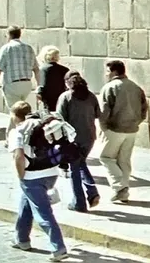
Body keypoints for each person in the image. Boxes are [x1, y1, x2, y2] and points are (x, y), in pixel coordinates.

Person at [7, 100, 72, 261]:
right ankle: (21, 239)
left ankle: (58, 248)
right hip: (51, 172)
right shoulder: (42, 124)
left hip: (32, 176)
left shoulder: (18, 131)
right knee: (26, 203)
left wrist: (21, 176)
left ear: (15, 116)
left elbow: (18, 156)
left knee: (43, 213)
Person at [97, 59, 148, 203]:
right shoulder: (136, 87)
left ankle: (120, 187)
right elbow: (144, 109)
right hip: (132, 129)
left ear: (113, 72)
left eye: (107, 71)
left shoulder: (110, 87)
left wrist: (103, 128)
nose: (105, 74)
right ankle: (123, 191)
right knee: (124, 160)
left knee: (106, 157)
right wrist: (137, 122)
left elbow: (104, 111)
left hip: (115, 128)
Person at [55, 72, 101, 212]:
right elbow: (98, 114)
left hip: (72, 139)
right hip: (89, 137)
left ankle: (80, 202)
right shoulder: (91, 96)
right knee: (80, 164)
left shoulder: (66, 97)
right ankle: (91, 193)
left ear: (68, 83)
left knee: (75, 170)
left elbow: (59, 119)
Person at [0, 27, 38, 113]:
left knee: (15, 112)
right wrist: (39, 86)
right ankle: (17, 126)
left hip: (12, 84)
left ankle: (22, 126)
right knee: (19, 111)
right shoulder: (28, 48)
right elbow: (36, 69)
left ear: (9, 35)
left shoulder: (6, 48)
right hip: (27, 84)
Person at [37, 46, 69, 114]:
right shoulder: (65, 69)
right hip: (61, 97)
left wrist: (39, 94)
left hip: (48, 98)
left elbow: (43, 84)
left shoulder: (43, 68)